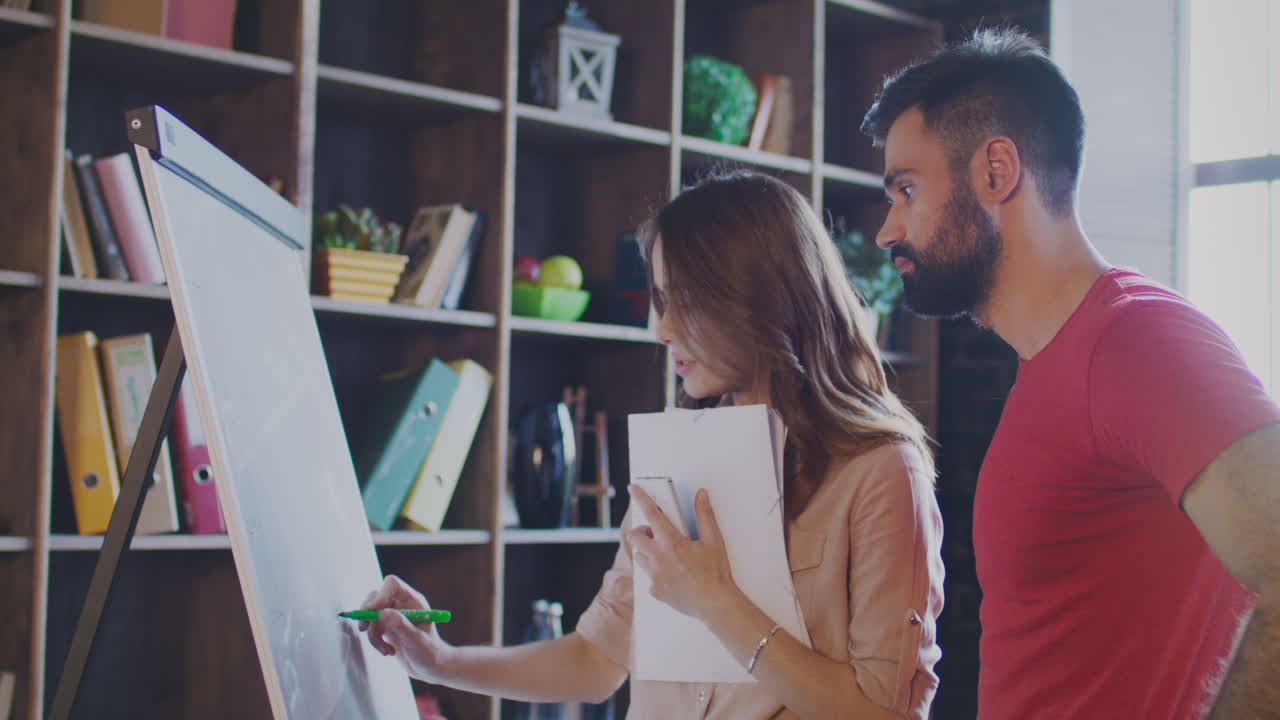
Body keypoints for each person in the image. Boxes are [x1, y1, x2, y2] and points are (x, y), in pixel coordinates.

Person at [357, 169, 945, 718]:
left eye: (681, 302)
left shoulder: (880, 469)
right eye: (660, 302)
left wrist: (717, 602)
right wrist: (438, 660)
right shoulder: (680, 454)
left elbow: (882, 712)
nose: (660, 329)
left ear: (757, 298)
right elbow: (596, 660)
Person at [860, 27, 1280, 719]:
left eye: (906, 189)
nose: (886, 229)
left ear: (996, 171)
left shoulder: (1139, 340)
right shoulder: (1057, 361)